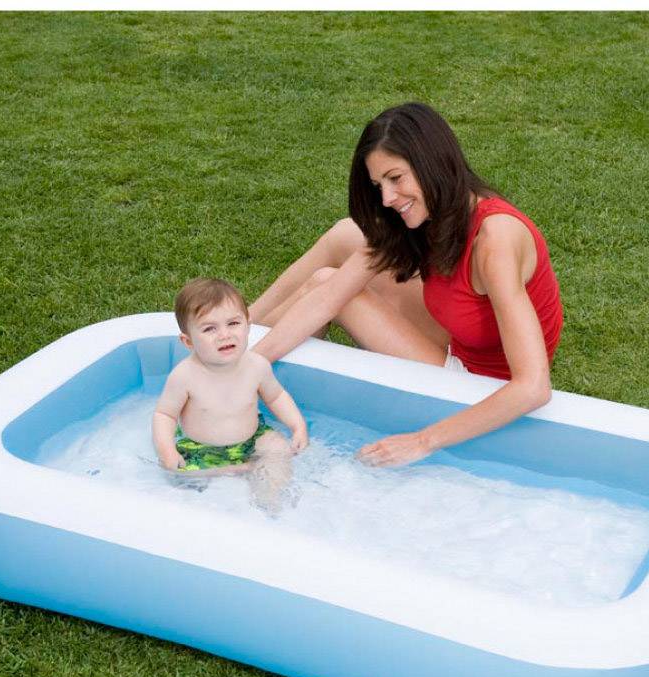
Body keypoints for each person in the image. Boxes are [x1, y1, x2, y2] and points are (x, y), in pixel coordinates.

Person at [249, 102, 563, 468]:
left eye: (396, 179)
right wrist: (251, 361)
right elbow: (326, 300)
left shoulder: (495, 241)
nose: (387, 198)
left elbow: (533, 387)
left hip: (478, 382)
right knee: (346, 237)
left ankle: (238, 373)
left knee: (329, 284)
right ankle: (241, 337)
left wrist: (423, 441)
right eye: (378, 184)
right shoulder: (436, 213)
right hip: (464, 333)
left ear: (432, 163)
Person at [153, 277, 308, 512]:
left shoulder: (257, 365)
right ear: (188, 341)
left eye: (233, 324)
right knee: (178, 474)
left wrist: (298, 426)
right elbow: (164, 414)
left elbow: (276, 397)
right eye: (209, 328)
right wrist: (167, 449)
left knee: (277, 448)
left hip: (251, 440)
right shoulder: (184, 376)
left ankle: (271, 501)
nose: (224, 335)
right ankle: (221, 492)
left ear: (248, 325)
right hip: (201, 450)